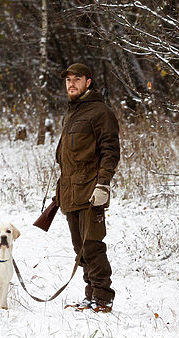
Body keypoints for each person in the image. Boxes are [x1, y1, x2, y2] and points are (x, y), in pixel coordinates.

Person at [55, 63, 120, 313]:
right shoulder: (72, 112)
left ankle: (102, 298)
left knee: (92, 245)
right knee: (79, 249)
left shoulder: (100, 112)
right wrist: (60, 191)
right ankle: (90, 295)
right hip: (71, 191)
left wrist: (103, 183)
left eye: (77, 79)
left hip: (91, 191)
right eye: (68, 79)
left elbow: (110, 151)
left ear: (88, 82)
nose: (71, 84)